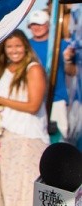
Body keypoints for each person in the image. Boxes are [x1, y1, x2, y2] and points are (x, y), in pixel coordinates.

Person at [0, 29, 49, 206]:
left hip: (27, 138)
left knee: (24, 195)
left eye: (18, 46)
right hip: (5, 137)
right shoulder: (3, 69)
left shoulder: (33, 68)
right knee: (7, 193)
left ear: (25, 47)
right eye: (9, 46)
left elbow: (34, 105)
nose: (14, 50)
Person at [26, 9, 75, 142]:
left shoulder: (61, 45)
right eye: (33, 25)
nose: (36, 28)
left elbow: (72, 72)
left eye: (40, 24)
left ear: (48, 24)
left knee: (61, 140)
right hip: (32, 100)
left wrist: (68, 60)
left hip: (57, 99)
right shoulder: (25, 47)